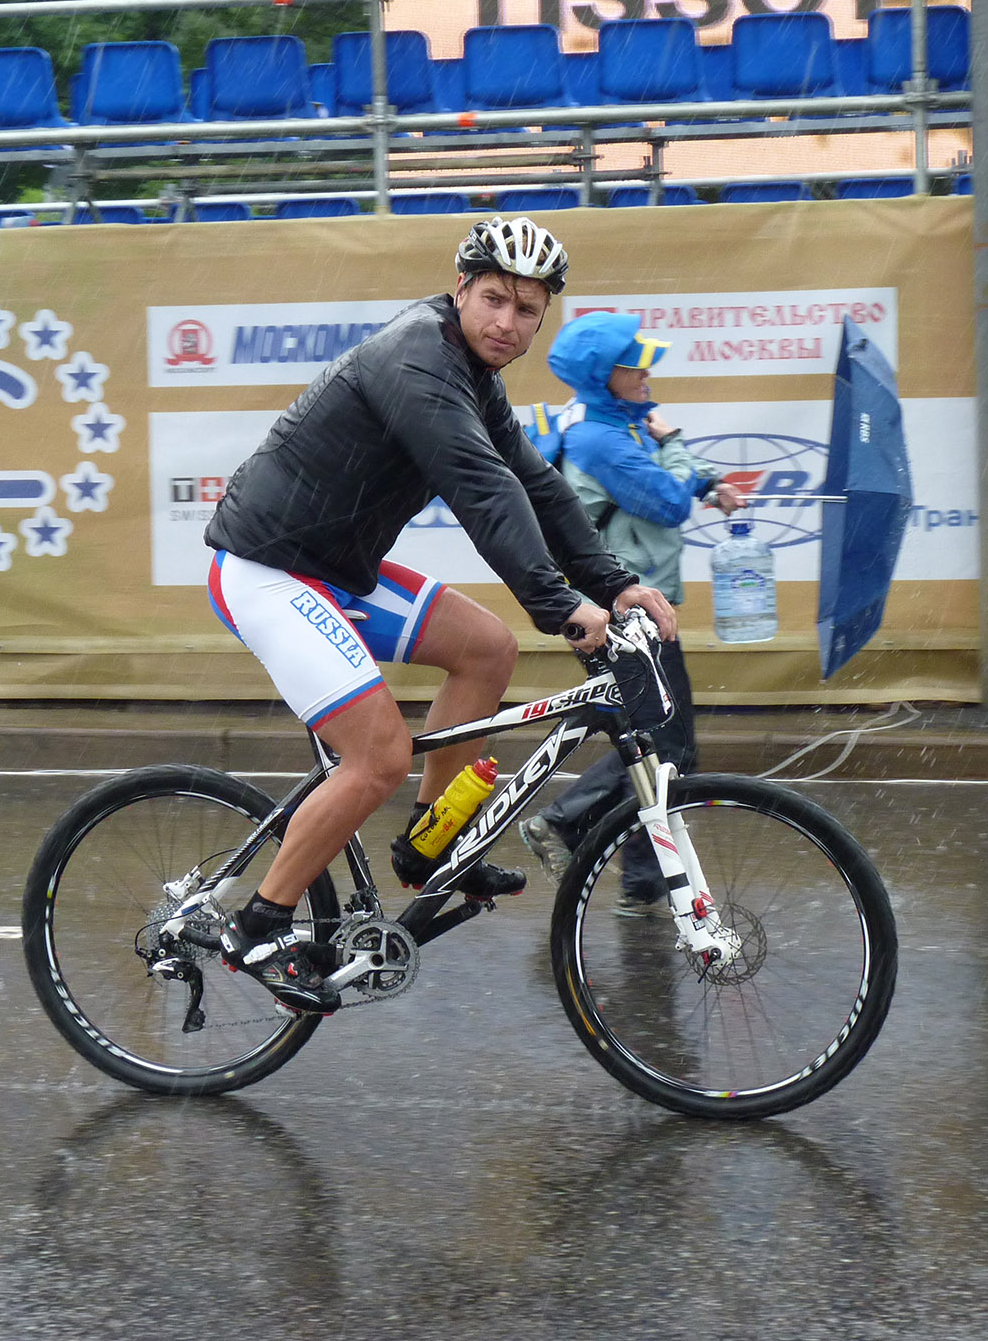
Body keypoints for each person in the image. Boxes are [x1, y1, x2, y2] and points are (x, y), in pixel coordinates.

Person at [202, 216, 678, 1012]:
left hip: (335, 571)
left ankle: (431, 847)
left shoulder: (473, 375)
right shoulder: (415, 358)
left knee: (487, 648)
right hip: (266, 569)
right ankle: (258, 925)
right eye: (494, 299)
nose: (507, 322)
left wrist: (614, 582)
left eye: (527, 310)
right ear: (460, 289)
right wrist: (562, 606)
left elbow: (533, 482)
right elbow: (481, 489)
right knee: (379, 757)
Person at [516, 310, 746, 914]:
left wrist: (708, 482)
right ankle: (564, 822)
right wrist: (677, 445)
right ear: (603, 375)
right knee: (669, 751)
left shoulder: (612, 422)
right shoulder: (601, 437)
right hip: (623, 611)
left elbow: (650, 478)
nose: (647, 375)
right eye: (634, 366)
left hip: (628, 607)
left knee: (651, 744)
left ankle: (643, 880)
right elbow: (664, 500)